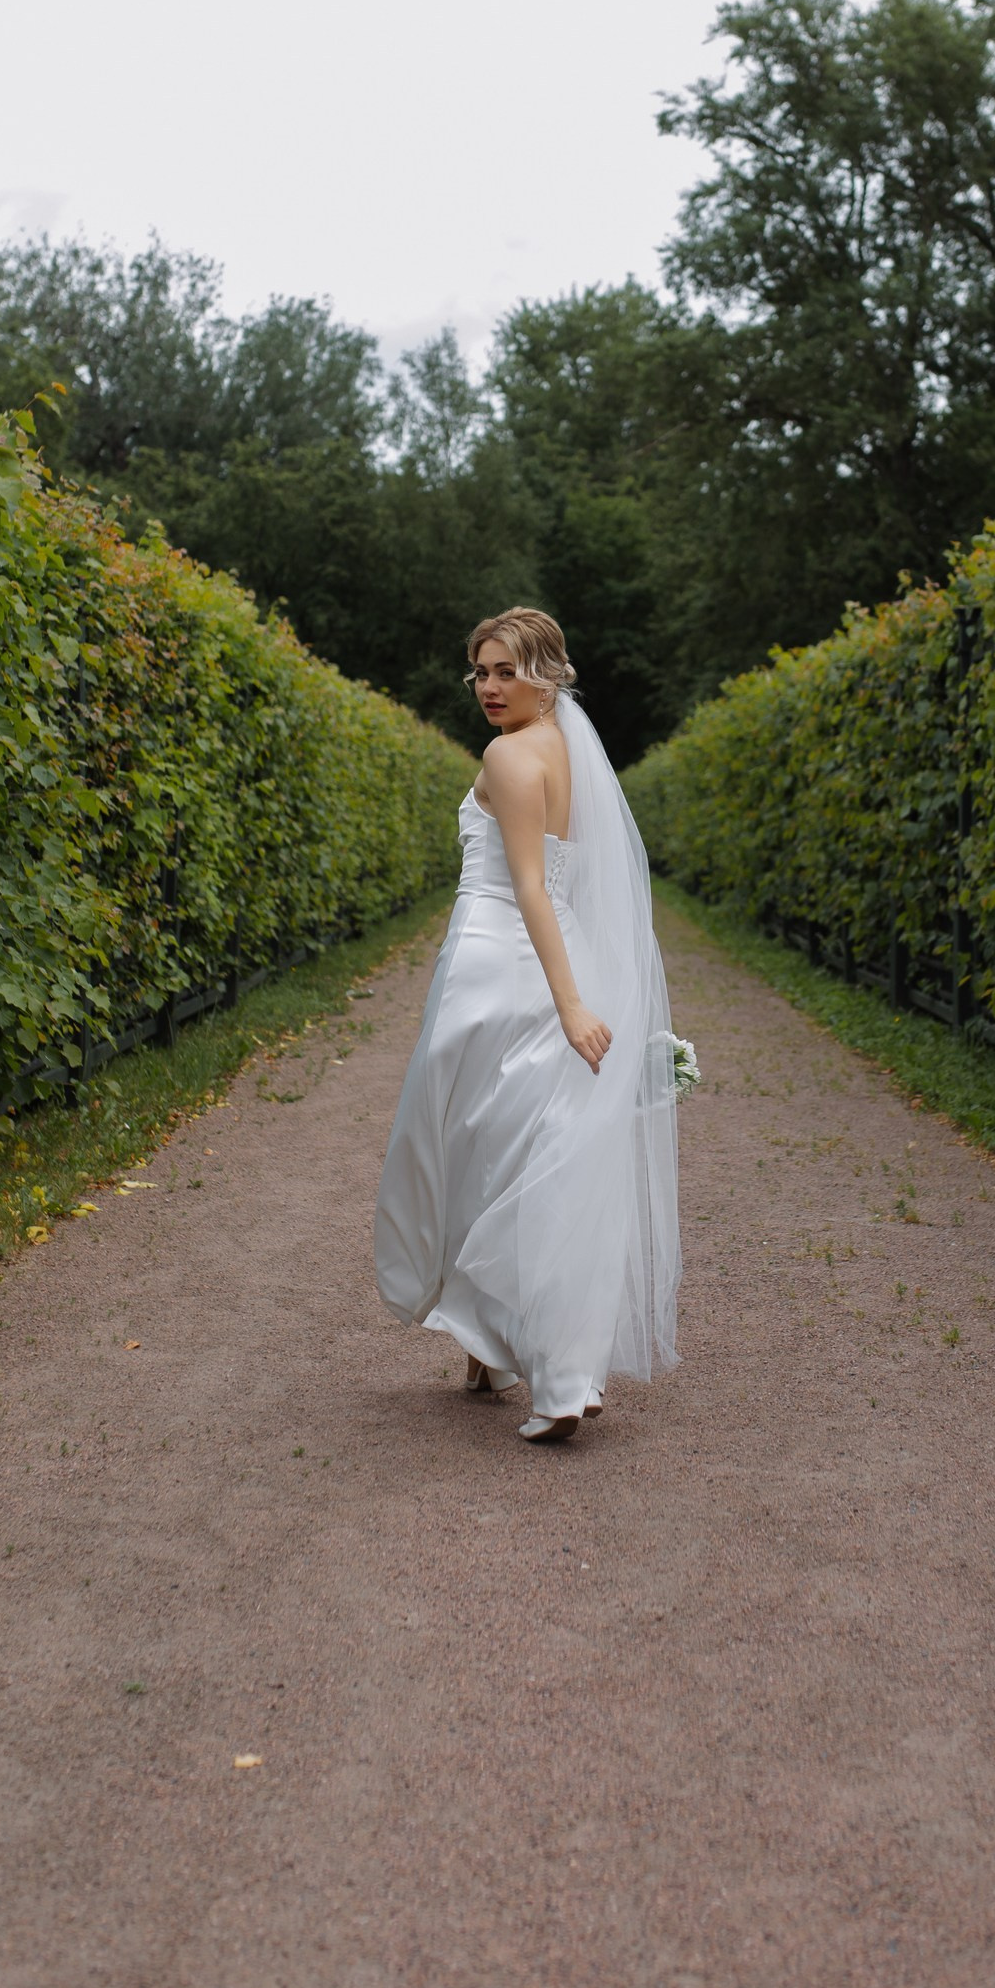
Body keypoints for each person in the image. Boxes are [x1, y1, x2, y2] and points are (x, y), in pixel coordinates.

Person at [374, 608, 681, 1442]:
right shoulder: (572, 752)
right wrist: (583, 987)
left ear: (546, 674)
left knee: (477, 1153)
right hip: (555, 957)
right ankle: (509, 1356)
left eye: (506, 670)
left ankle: (554, 1372)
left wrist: (570, 1005)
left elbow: (531, 886)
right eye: (480, 671)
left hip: (496, 967)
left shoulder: (508, 757)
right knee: (530, 1152)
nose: (488, 687)